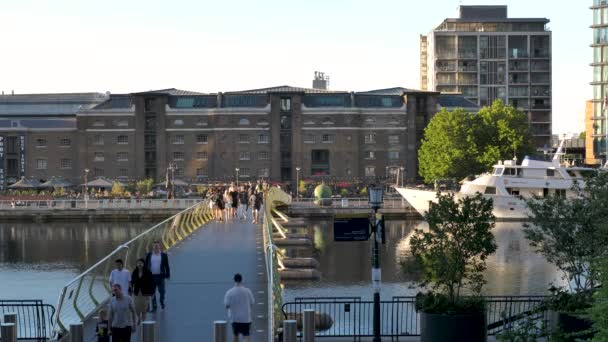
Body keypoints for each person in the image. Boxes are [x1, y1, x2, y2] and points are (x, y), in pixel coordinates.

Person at [224, 273, 255, 342]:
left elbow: (226, 305)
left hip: (234, 318)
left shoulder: (229, 292)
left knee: (235, 335)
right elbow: (252, 302)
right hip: (246, 318)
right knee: (246, 335)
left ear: (234, 280)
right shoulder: (247, 291)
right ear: (241, 280)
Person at [145, 241, 170, 311]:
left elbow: (167, 266)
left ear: (159, 246)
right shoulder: (149, 255)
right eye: (154, 246)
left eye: (157, 245)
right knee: (152, 292)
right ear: (153, 247)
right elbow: (146, 265)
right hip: (151, 276)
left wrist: (168, 275)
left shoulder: (164, 255)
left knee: (162, 291)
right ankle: (154, 306)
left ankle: (161, 301)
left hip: (161, 276)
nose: (156, 247)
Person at [131, 258, 154, 322]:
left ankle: (143, 321)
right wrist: (130, 290)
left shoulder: (148, 272)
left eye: (141, 263)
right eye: (138, 263)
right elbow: (132, 282)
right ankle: (138, 317)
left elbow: (151, 283)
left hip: (145, 293)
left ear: (143, 264)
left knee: (144, 308)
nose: (139, 264)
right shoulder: (134, 272)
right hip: (137, 292)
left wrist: (152, 293)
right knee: (136, 307)